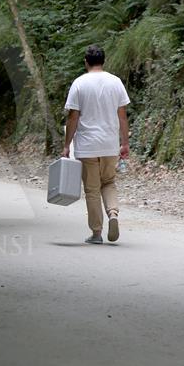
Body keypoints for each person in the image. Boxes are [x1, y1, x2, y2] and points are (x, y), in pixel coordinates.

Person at [62, 44, 130, 244]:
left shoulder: (79, 83)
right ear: (104, 61)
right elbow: (122, 116)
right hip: (110, 144)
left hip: (87, 146)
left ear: (86, 62)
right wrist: (125, 143)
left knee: (92, 190)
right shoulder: (116, 82)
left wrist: (66, 145)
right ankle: (113, 213)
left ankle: (97, 233)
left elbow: (73, 117)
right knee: (108, 182)